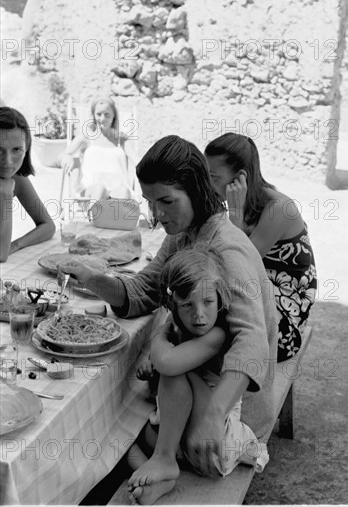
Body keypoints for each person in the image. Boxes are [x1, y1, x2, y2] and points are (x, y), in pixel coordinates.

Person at [58, 135, 278, 486]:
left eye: (166, 201)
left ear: (196, 190)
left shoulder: (227, 248)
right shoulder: (185, 234)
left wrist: (213, 414)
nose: (158, 215)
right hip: (199, 383)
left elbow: (252, 342)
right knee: (117, 418)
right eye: (150, 202)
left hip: (236, 412)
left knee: (123, 425)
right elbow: (146, 288)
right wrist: (93, 277)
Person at [126, 245, 269, 505]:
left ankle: (164, 460)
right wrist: (153, 362)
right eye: (187, 305)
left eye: (207, 302)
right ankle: (162, 478)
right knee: (128, 440)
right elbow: (164, 362)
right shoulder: (184, 330)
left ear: (220, 298)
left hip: (214, 441)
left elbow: (168, 363)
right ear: (174, 306)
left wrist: (160, 336)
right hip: (185, 441)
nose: (199, 314)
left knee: (176, 373)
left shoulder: (217, 335)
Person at [204, 133, 317, 362]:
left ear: (240, 178)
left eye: (213, 177)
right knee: (196, 309)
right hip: (256, 303)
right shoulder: (247, 202)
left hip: (282, 326)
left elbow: (238, 267)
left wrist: (235, 217)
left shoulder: (278, 209)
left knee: (204, 321)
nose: (208, 184)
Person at [0, 107, 55, 262]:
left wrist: (15, 245)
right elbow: (1, 255)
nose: (8, 161)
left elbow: (48, 226)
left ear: (26, 150)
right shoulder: (7, 184)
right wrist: (5, 196)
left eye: (16, 150)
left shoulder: (16, 178)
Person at [60, 96, 136, 203]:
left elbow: (138, 160)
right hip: (90, 190)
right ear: (93, 115)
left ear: (114, 115)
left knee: (124, 192)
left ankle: (113, 218)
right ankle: (97, 217)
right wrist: (68, 158)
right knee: (99, 188)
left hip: (116, 189)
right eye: (99, 114)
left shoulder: (122, 139)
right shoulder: (86, 137)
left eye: (107, 114)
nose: (103, 118)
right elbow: (63, 155)